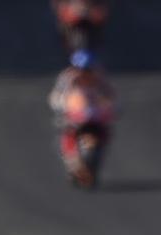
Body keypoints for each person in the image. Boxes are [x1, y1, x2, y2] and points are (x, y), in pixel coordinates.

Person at [48, 50, 116, 180]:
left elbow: (111, 96)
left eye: (88, 70)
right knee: (67, 130)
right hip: (76, 115)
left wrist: (112, 108)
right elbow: (57, 96)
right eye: (81, 70)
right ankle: (72, 160)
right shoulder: (68, 79)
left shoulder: (99, 79)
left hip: (95, 117)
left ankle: (96, 158)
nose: (85, 74)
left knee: (106, 132)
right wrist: (61, 106)